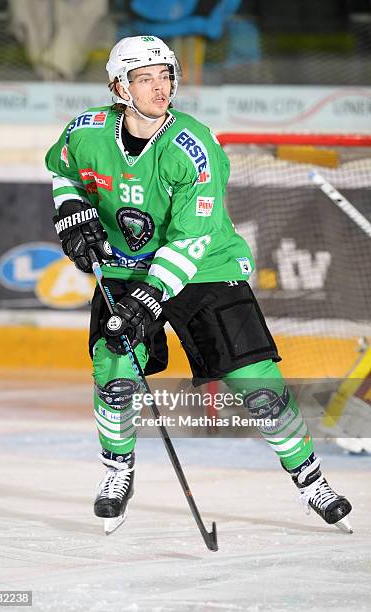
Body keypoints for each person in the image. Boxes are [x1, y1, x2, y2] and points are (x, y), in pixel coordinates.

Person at [45, 35, 353, 535]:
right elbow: (61, 171)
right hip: (125, 265)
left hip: (205, 265)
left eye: (166, 75)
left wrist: (148, 297)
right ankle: (117, 471)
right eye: (145, 78)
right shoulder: (86, 131)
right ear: (119, 86)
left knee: (259, 387)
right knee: (114, 371)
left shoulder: (194, 147)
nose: (160, 87)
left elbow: (191, 240)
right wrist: (70, 209)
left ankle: (310, 478)